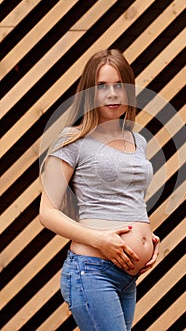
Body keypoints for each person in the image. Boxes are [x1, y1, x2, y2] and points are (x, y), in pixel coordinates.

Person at [39, 48, 160, 331]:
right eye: (102, 87)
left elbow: (127, 200)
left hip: (127, 275)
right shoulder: (73, 139)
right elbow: (46, 213)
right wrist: (100, 240)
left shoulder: (137, 140)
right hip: (91, 272)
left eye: (119, 85)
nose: (112, 94)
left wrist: (149, 239)